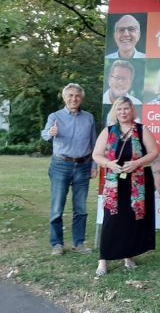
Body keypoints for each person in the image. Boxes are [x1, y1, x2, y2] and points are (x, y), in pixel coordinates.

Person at [92, 96, 159, 276]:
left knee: (131, 219)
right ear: (115, 111)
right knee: (111, 220)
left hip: (137, 182)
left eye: (126, 109)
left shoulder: (141, 129)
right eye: (119, 109)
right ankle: (103, 260)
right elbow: (96, 154)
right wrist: (108, 164)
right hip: (115, 183)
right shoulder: (108, 131)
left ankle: (127, 256)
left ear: (132, 111)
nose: (123, 112)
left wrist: (138, 163)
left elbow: (154, 152)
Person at [41, 83, 98, 256]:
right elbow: (44, 135)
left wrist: (94, 165)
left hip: (83, 166)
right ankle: (57, 244)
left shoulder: (89, 117)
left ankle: (79, 243)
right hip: (61, 165)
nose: (74, 99)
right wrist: (51, 132)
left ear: (82, 98)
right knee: (57, 207)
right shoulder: (55, 116)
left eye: (77, 96)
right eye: (70, 95)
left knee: (80, 208)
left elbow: (94, 143)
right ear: (65, 97)